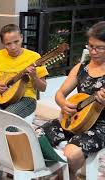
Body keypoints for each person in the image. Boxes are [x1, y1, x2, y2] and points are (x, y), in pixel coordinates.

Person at [36, 21, 105, 180]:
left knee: (71, 156)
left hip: (100, 126)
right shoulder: (82, 68)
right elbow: (60, 93)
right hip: (73, 119)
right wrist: (63, 104)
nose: (93, 51)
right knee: (34, 139)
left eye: (99, 47)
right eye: (90, 46)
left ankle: (63, 176)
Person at [0, 24, 48, 121]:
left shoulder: (34, 57)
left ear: (21, 37)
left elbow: (43, 88)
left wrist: (34, 77)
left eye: (16, 41)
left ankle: (15, 136)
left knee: (7, 119)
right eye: (8, 44)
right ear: (3, 44)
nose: (13, 47)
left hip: (26, 99)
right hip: (1, 98)